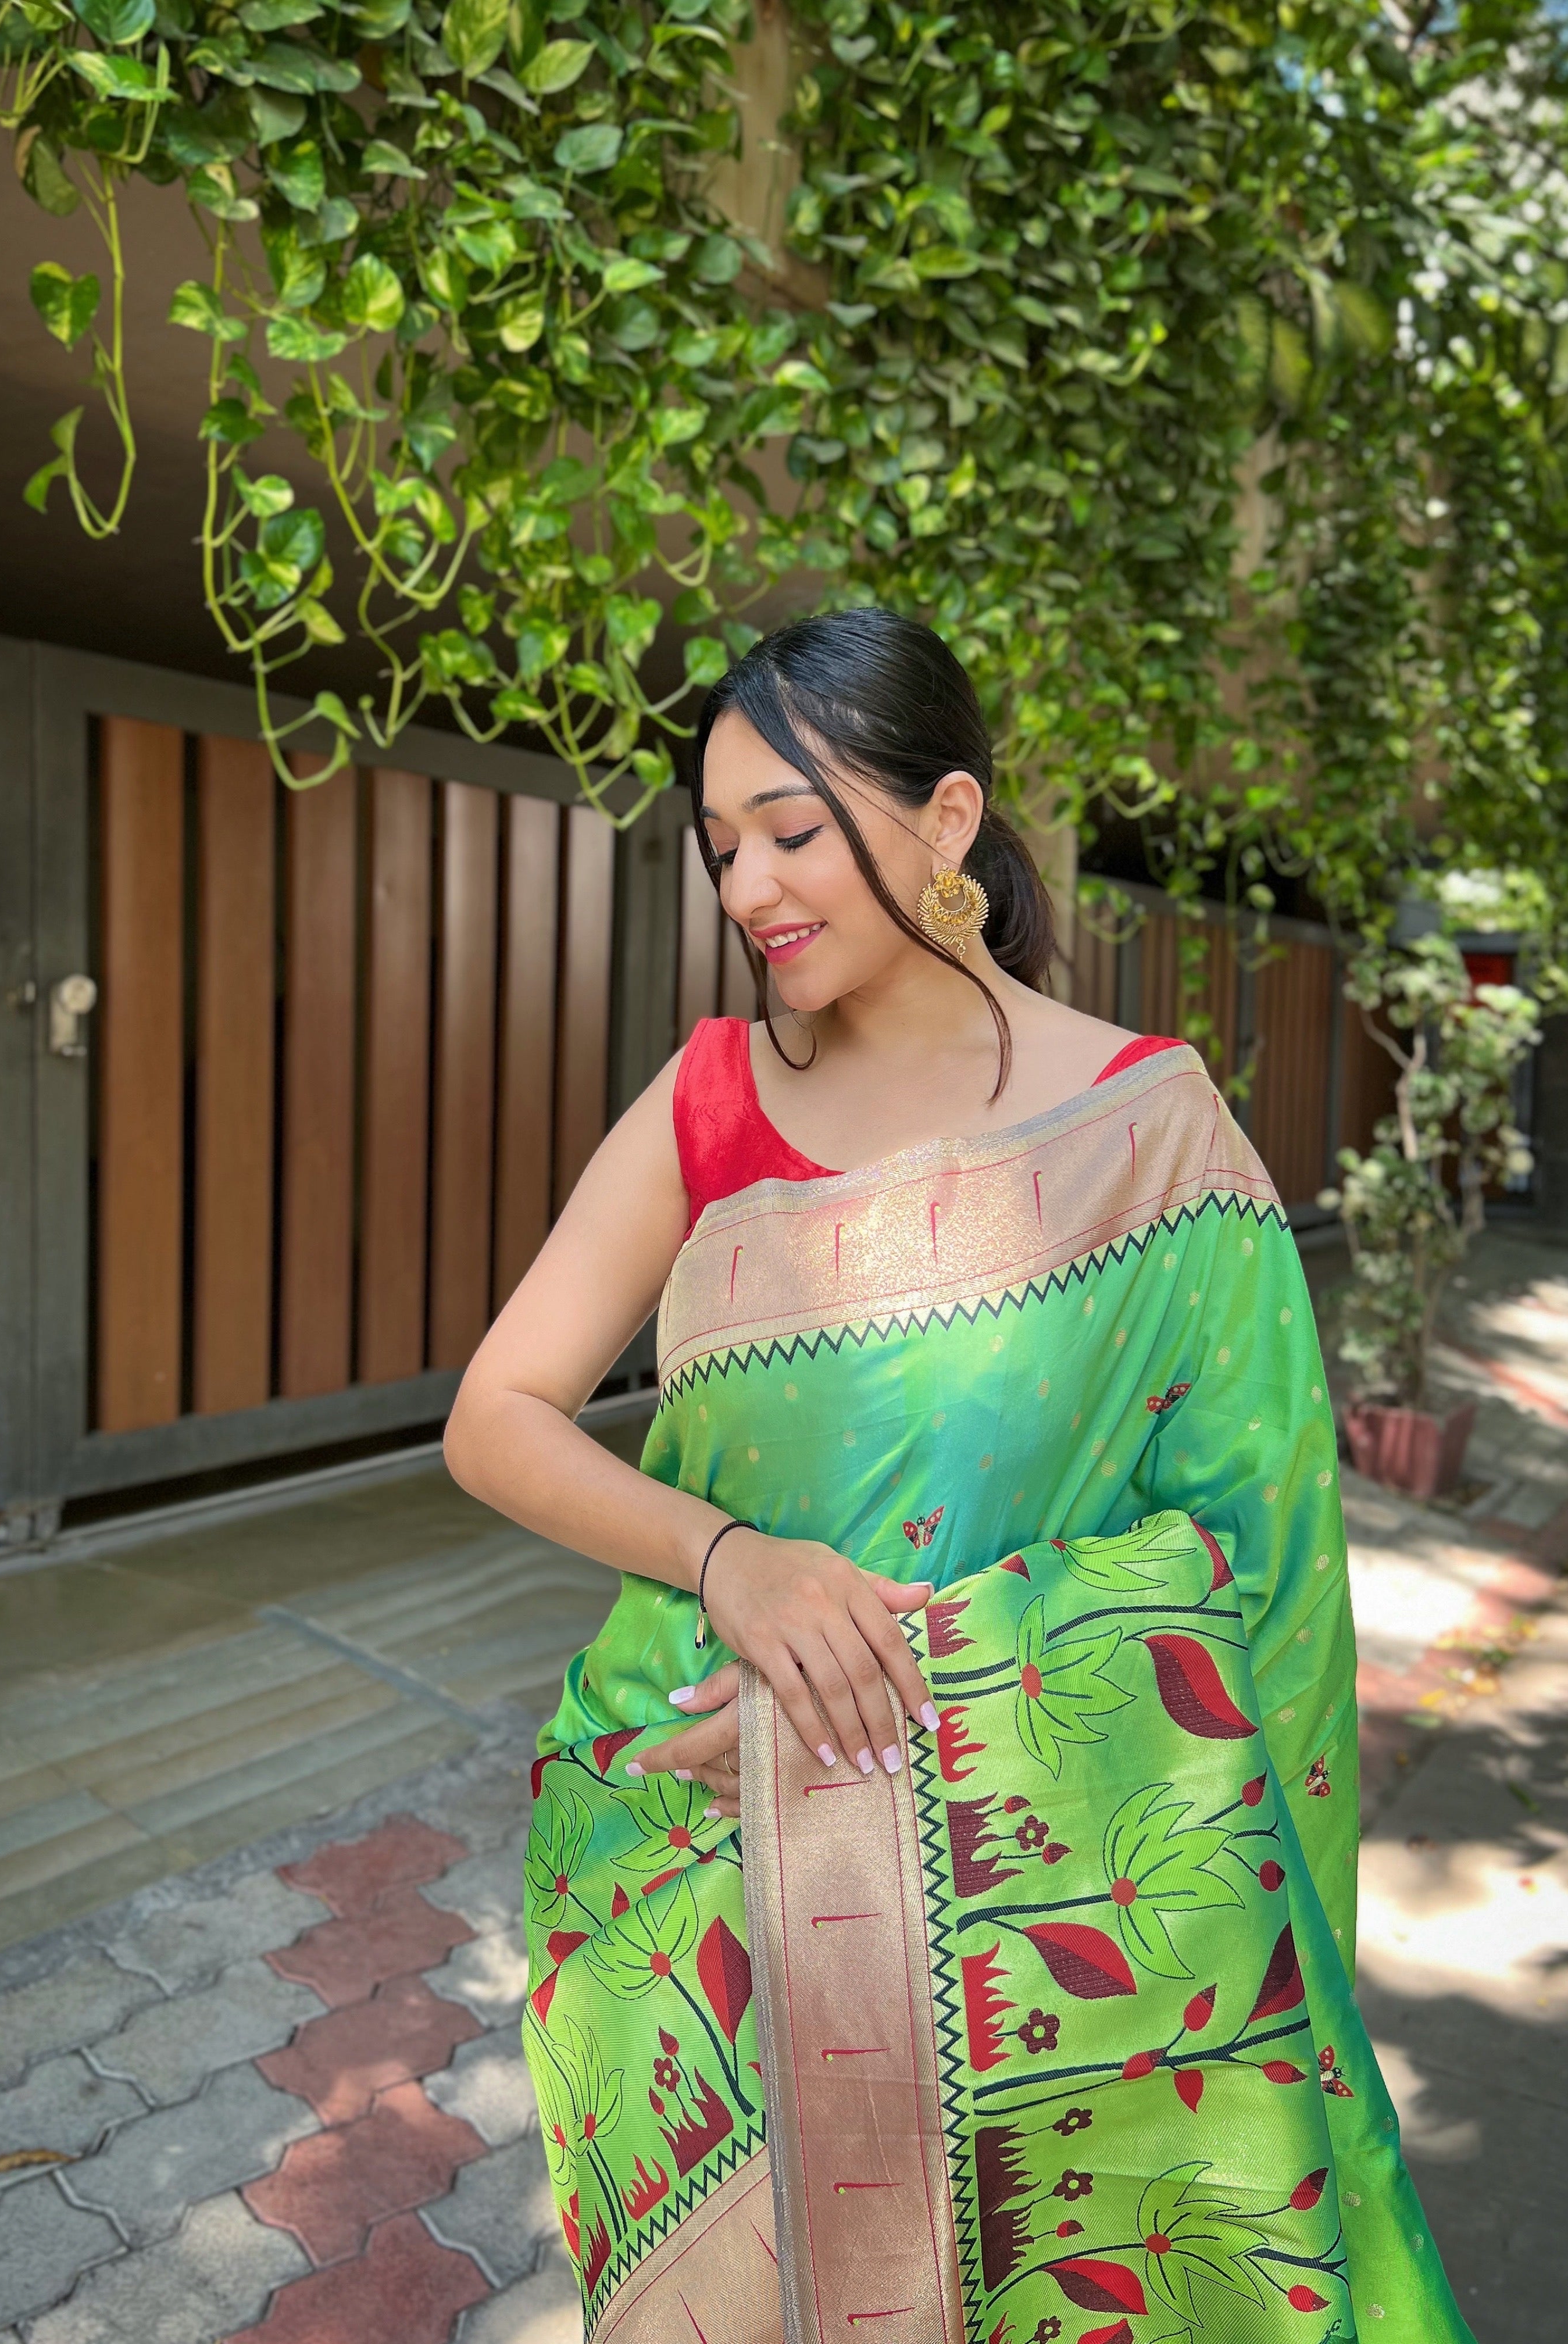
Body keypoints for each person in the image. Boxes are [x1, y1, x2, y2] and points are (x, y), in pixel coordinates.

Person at [444, 609, 1472, 2344]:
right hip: (702, 1870)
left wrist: (916, 1703)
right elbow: (501, 1415)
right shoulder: (707, 1105)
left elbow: (1250, 1576)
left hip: (1047, 1928)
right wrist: (733, 1564)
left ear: (946, 820)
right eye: (720, 848)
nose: (752, 887)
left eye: (792, 829)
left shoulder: (1150, 1135)